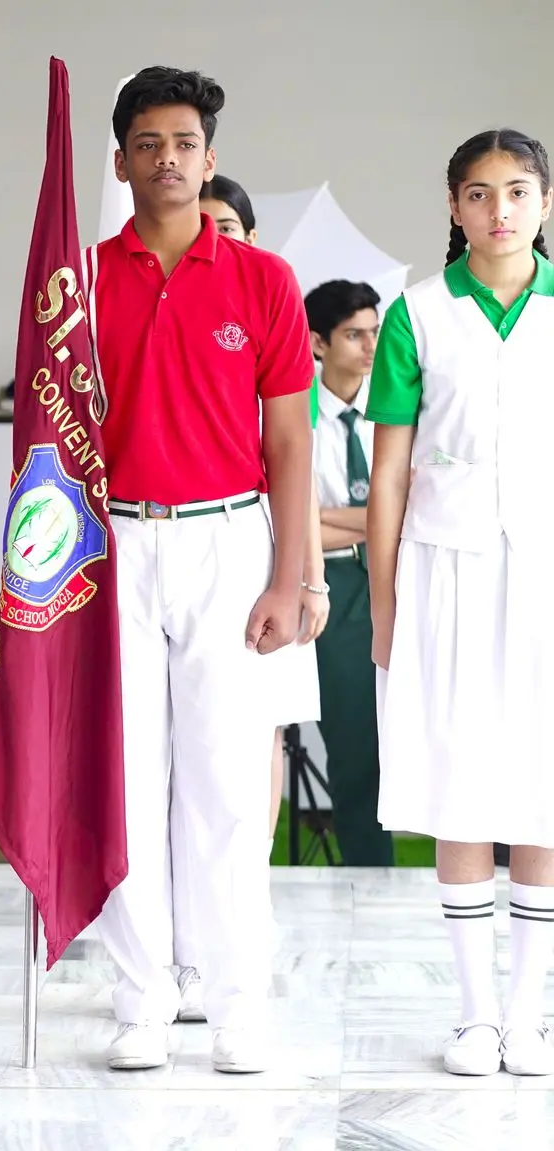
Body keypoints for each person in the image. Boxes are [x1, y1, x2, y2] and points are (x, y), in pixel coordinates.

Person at [89, 68, 314, 1075]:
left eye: (184, 142)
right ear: (122, 160)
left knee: (224, 783)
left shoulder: (263, 280)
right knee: (128, 782)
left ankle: (236, 1005)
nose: (167, 158)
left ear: (209, 158)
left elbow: (291, 441)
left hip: (228, 540)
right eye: (148, 142)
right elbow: (53, 438)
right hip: (115, 545)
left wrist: (290, 577)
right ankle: (142, 998)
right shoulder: (81, 281)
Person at [367, 128, 554, 1078]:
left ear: (546, 201)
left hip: (547, 574)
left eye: (518, 191)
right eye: (479, 194)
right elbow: (390, 476)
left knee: (543, 787)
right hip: (445, 571)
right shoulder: (417, 314)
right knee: (460, 782)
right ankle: (477, 1015)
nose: (500, 210)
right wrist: (386, 601)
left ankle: (528, 1015)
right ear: (454, 206)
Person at [163, 173, 327, 1028]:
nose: (212, 234)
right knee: (173, 768)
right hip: (176, 554)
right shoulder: (159, 300)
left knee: (241, 761)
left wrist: (304, 577)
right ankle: (180, 951)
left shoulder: (266, 298)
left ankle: (235, 940)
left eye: (227, 224)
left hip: (255, 556)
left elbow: (292, 457)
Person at [304, 279, 393, 868]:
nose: (369, 347)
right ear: (318, 342)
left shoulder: (395, 408)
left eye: (374, 332)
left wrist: (325, 518)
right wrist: (376, 518)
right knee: (353, 736)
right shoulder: (296, 412)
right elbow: (289, 520)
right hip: (331, 582)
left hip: (394, 578)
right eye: (354, 334)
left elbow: (408, 509)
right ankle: (368, 869)